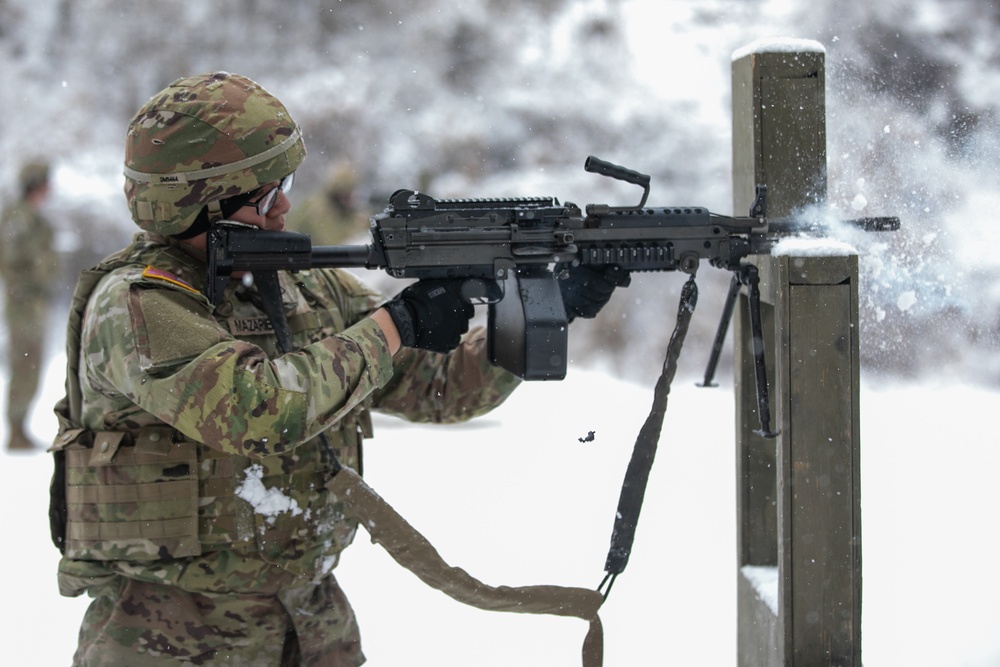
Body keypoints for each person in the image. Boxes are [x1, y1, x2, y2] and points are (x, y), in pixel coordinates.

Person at [48, 72, 627, 666]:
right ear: (202, 204)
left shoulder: (304, 291)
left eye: (286, 186)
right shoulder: (138, 303)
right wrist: (397, 322)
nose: (286, 206)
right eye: (268, 194)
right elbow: (259, 409)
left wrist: (541, 312)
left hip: (312, 623)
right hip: (168, 635)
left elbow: (437, 387)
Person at [1, 159, 57, 451]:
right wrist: (36, 274)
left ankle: (20, 428)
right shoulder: (18, 218)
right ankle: (15, 430)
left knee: (32, 364)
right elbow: (13, 259)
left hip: (33, 302)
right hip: (23, 302)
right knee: (24, 363)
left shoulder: (32, 218)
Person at [286, 161, 370, 245]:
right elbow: (292, 228)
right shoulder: (315, 209)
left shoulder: (357, 215)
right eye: (344, 191)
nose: (348, 196)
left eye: (350, 191)